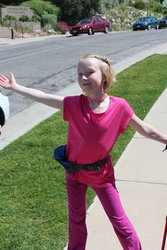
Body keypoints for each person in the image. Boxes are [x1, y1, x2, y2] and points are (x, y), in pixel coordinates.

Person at [0, 53, 167, 250]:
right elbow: (45, 97)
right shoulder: (74, 104)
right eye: (80, 74)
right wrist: (16, 87)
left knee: (119, 220)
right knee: (76, 221)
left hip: (101, 174)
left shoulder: (119, 106)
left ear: (104, 76)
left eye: (89, 72)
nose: (83, 78)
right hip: (74, 173)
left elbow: (143, 128)